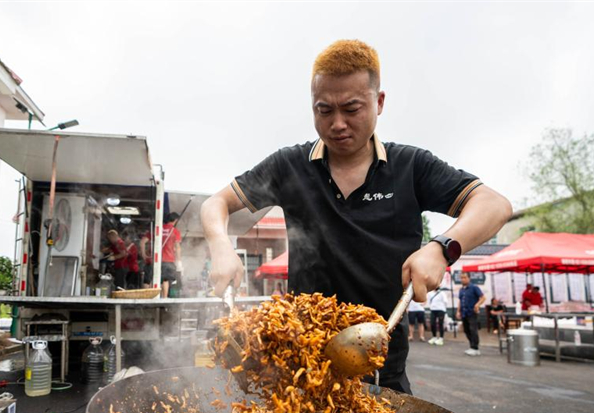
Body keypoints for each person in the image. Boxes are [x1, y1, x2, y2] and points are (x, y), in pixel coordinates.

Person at [201, 40, 512, 393]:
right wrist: (221, 247)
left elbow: (494, 205)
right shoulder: (290, 166)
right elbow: (215, 204)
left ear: (379, 102)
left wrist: (441, 248)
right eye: (324, 110)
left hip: (381, 371)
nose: (337, 124)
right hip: (303, 372)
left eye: (352, 109)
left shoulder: (411, 167)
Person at [456, 272, 487, 356]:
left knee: (473, 330)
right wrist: (458, 311)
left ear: (469, 278)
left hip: (472, 312)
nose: (463, 279)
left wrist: (477, 304)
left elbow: (483, 297)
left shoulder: (474, 287)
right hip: (464, 312)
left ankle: (475, 348)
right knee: (466, 330)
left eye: (465, 278)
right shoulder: (461, 290)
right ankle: (471, 346)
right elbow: (460, 301)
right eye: (461, 278)